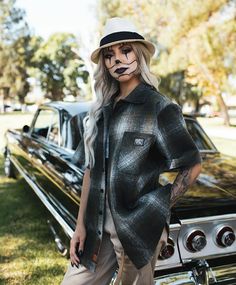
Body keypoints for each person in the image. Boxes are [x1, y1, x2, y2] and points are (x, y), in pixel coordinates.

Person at [61, 17, 202, 285]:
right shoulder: (102, 110)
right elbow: (91, 171)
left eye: (125, 50)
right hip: (96, 226)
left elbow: (192, 164)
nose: (117, 60)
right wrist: (80, 226)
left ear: (138, 55)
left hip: (137, 227)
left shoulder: (159, 107)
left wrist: (156, 207)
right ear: (104, 64)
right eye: (109, 55)